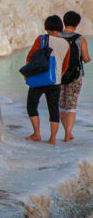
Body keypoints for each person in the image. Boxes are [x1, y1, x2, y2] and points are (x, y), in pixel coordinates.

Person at [24, 15, 71, 144]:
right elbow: (65, 65)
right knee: (53, 109)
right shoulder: (66, 44)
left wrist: (28, 73)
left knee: (32, 105)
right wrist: (57, 75)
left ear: (47, 27)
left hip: (39, 78)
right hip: (55, 80)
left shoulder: (42, 39)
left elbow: (30, 57)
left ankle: (37, 134)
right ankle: (52, 139)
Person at [60, 10, 90, 141]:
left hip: (58, 74)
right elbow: (86, 58)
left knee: (61, 104)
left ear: (64, 21)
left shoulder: (57, 37)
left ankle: (66, 131)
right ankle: (68, 134)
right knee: (71, 105)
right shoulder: (80, 38)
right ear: (77, 24)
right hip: (75, 75)